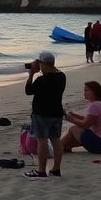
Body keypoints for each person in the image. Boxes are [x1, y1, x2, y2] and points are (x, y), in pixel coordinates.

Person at [23, 51, 65, 179]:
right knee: (56, 140)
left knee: (42, 140)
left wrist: (31, 74)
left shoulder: (42, 80)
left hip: (42, 114)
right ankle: (56, 169)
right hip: (57, 112)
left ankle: (41, 171)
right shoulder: (61, 76)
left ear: (43, 64)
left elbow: (28, 91)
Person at [61, 81, 101, 154]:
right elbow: (91, 120)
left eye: (86, 90)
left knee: (73, 129)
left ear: (95, 92)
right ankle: (65, 147)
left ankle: (58, 146)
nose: (84, 93)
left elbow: (86, 125)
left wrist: (70, 119)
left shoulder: (95, 105)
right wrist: (75, 115)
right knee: (80, 131)